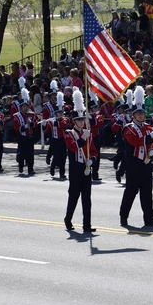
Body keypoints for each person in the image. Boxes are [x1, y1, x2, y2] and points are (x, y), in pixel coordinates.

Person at [119, 86, 153, 228]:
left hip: (146, 164)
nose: (141, 115)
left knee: (147, 194)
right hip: (133, 165)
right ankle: (123, 217)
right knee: (131, 192)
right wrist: (149, 138)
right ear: (133, 115)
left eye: (142, 113)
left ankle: (149, 219)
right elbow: (136, 141)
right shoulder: (128, 128)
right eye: (138, 114)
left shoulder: (149, 127)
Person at [63, 89, 98, 233]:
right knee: (74, 196)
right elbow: (72, 147)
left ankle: (87, 225)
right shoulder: (69, 133)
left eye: (83, 119)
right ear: (73, 121)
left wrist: (92, 160)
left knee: (87, 199)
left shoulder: (87, 133)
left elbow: (94, 151)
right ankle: (68, 219)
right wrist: (83, 138)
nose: (81, 122)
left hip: (86, 168)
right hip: (75, 168)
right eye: (78, 120)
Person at [42, 92, 67, 178]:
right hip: (55, 140)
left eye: (61, 113)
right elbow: (46, 131)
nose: (60, 114)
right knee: (56, 156)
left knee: (63, 157)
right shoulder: (51, 121)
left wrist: (56, 122)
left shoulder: (63, 120)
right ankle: (52, 167)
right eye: (59, 113)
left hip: (63, 140)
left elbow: (63, 125)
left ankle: (62, 173)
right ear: (56, 114)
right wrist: (44, 124)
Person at [13, 87, 36, 175]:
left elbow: (35, 124)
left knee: (30, 154)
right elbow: (16, 127)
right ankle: (21, 166)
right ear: (21, 107)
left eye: (27, 106)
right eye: (24, 106)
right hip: (22, 136)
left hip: (30, 136)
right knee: (22, 153)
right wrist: (25, 126)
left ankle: (30, 169)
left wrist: (32, 124)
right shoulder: (17, 116)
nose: (26, 108)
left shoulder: (31, 115)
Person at [87, 91, 104, 181]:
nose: (95, 109)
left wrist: (92, 118)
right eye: (93, 108)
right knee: (88, 155)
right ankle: (87, 172)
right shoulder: (85, 116)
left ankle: (95, 173)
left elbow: (99, 123)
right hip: (87, 138)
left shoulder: (97, 116)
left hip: (96, 138)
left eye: (95, 107)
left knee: (96, 155)